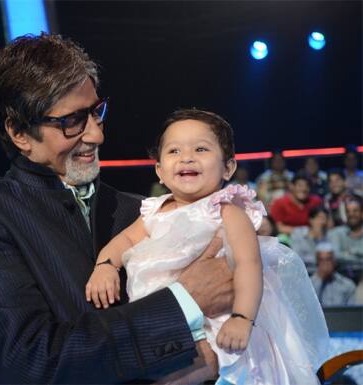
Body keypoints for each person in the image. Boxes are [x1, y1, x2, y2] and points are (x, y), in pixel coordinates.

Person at [0, 34, 234, 384]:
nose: (96, 135)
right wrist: (184, 302)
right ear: (20, 132)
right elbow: (30, 362)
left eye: (96, 112)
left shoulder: (143, 211)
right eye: (72, 121)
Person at [85, 109, 329, 384]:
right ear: (159, 170)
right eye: (174, 151)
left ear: (228, 167)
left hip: (217, 324)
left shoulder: (226, 212)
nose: (186, 157)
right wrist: (105, 265)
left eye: (201, 149)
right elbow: (124, 241)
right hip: (160, 321)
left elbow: (249, 265)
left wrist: (242, 317)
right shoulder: (153, 211)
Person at [291, 207, 330, 272]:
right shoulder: (298, 233)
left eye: (325, 219)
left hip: (322, 273)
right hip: (303, 272)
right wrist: (320, 260)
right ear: (311, 220)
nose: (323, 222)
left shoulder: (328, 236)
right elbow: (296, 257)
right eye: (320, 218)